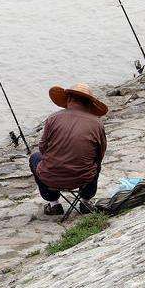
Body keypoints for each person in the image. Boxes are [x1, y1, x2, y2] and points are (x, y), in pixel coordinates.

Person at [29, 83, 108, 215]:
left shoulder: (53, 118)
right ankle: (85, 201)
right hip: (83, 178)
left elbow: (42, 148)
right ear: (88, 103)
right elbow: (100, 154)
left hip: (51, 178)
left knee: (34, 157)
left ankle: (54, 203)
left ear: (69, 98)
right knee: (96, 162)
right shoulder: (97, 123)